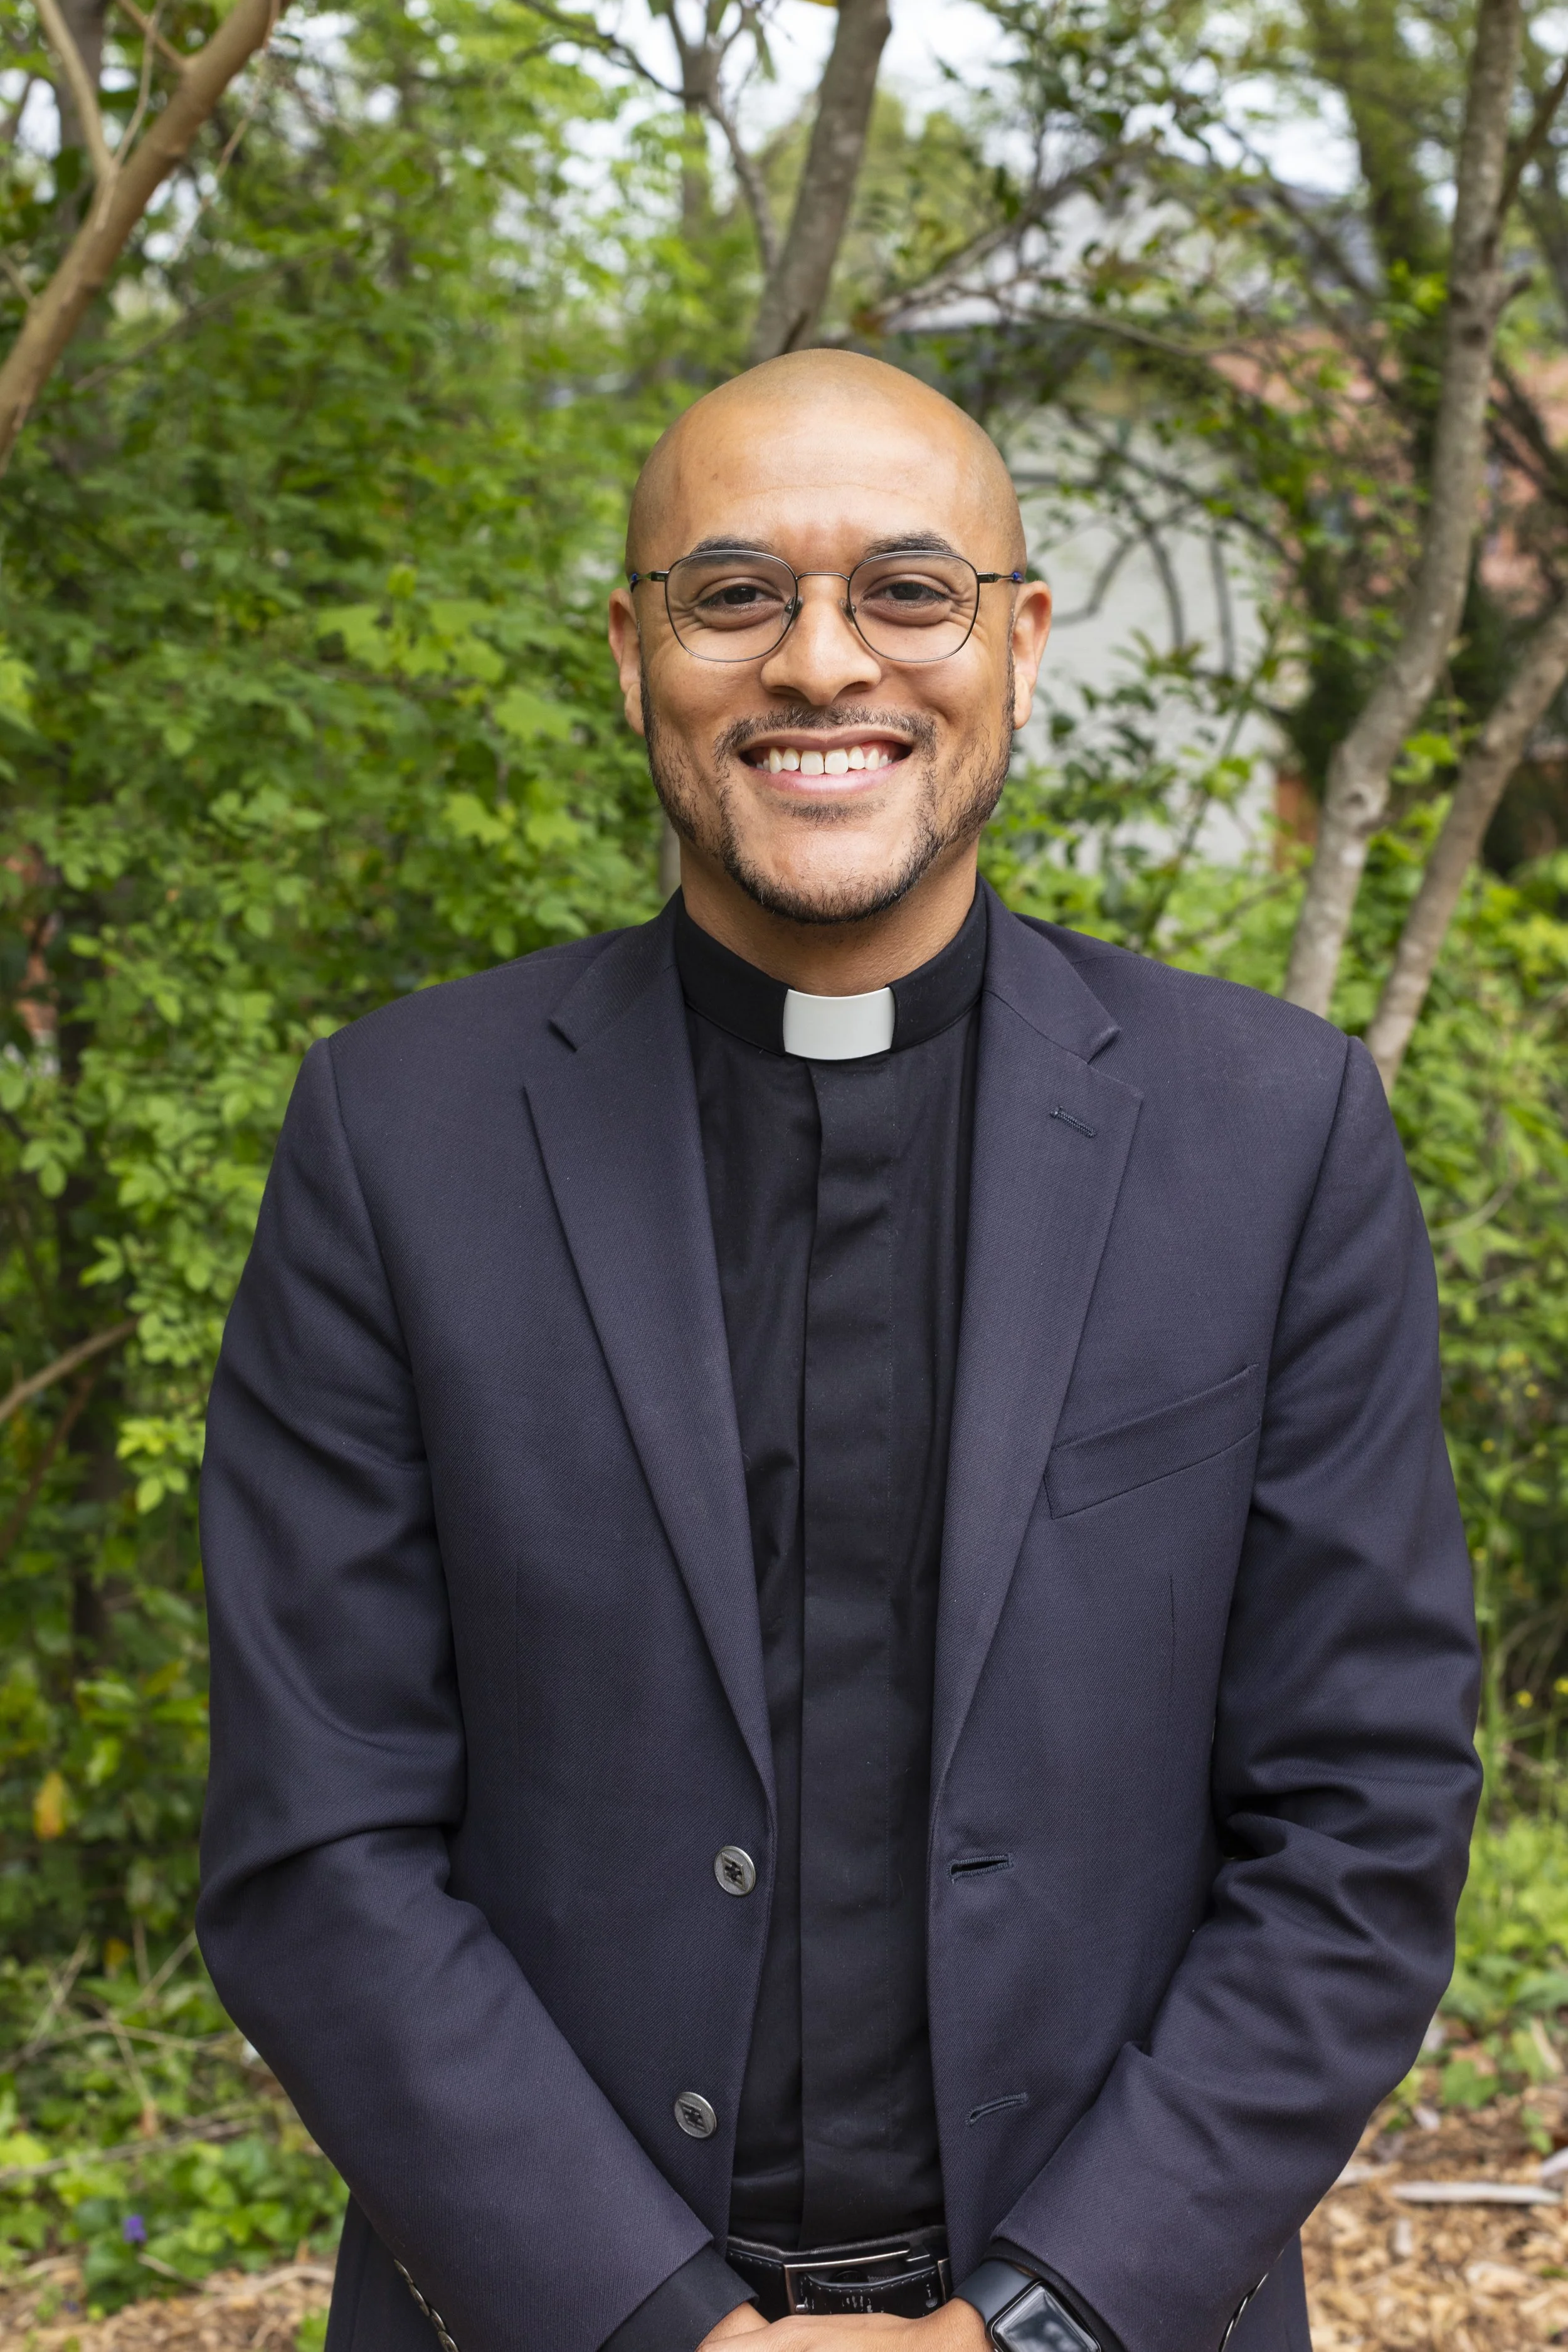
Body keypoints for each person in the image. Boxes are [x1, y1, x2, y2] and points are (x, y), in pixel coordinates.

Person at [196, 349, 1482, 2352]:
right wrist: (662, 2327)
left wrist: (1036, 2321)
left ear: (1017, 643)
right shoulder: (396, 1137)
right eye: (733, 593)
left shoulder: (1269, 1135)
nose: (819, 661)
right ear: (632, 654)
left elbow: (1364, 1811)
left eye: (906, 589)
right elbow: (317, 1835)